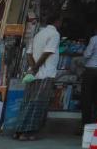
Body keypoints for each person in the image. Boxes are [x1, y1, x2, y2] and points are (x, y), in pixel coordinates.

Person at [13, 11, 61, 141]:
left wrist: (33, 69)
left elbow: (29, 54)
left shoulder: (38, 34)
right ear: (57, 22)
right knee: (38, 104)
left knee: (28, 102)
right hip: (45, 74)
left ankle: (19, 130)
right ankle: (27, 133)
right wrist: (36, 68)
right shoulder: (54, 34)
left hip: (34, 74)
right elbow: (47, 53)